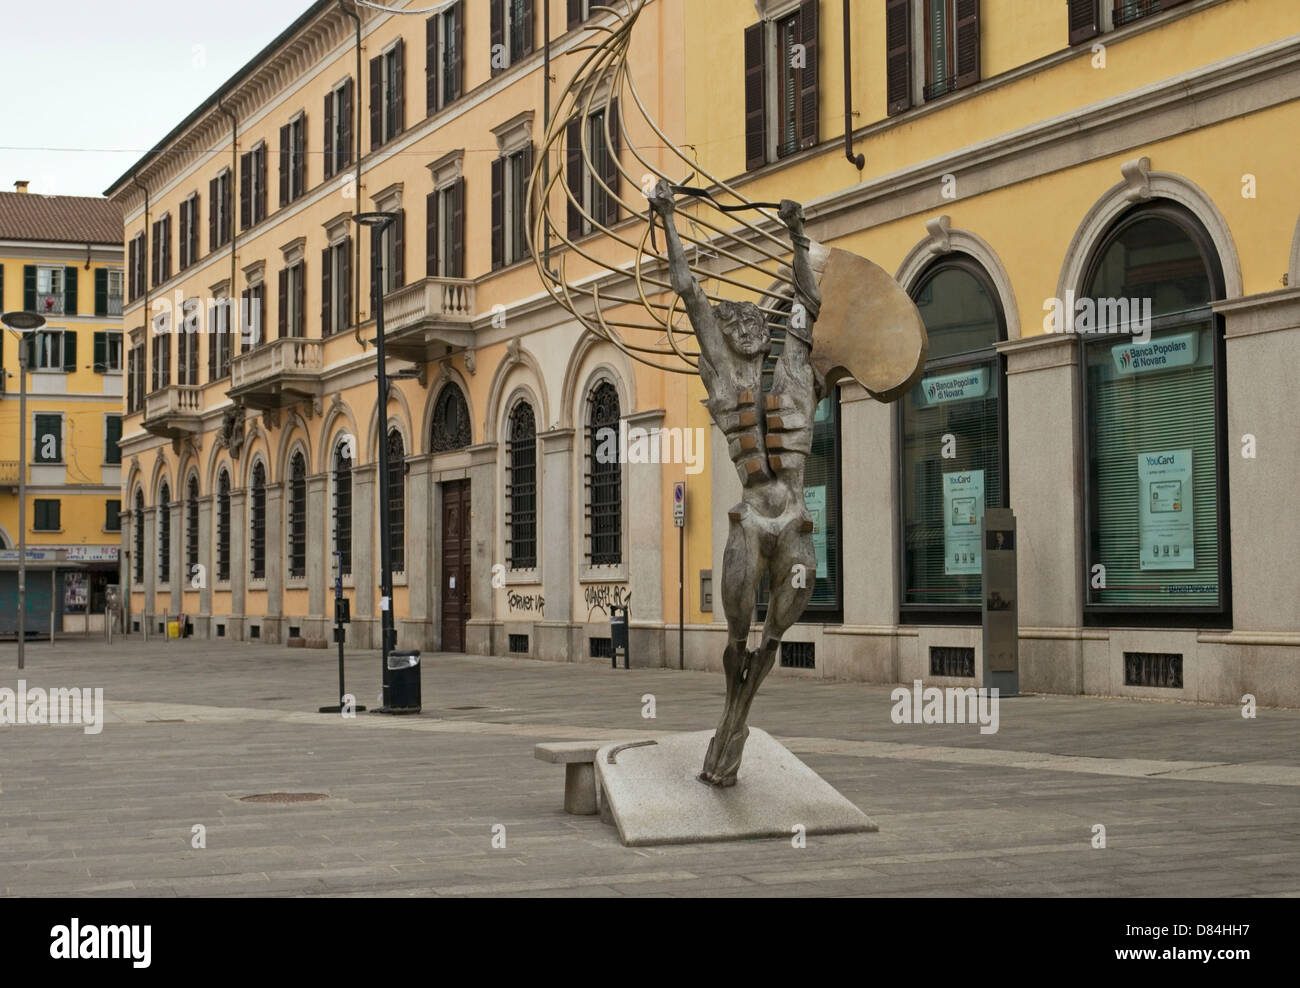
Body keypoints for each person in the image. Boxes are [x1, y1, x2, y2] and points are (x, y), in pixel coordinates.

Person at [647, 179, 823, 786]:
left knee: (776, 634)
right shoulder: (724, 380)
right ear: (726, 336)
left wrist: (797, 237)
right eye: (737, 324)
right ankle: (731, 706)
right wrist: (668, 216)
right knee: (737, 632)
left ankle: (738, 716)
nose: (748, 328)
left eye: (755, 323)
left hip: (795, 520)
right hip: (748, 521)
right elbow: (688, 289)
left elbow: (806, 301)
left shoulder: (794, 373)